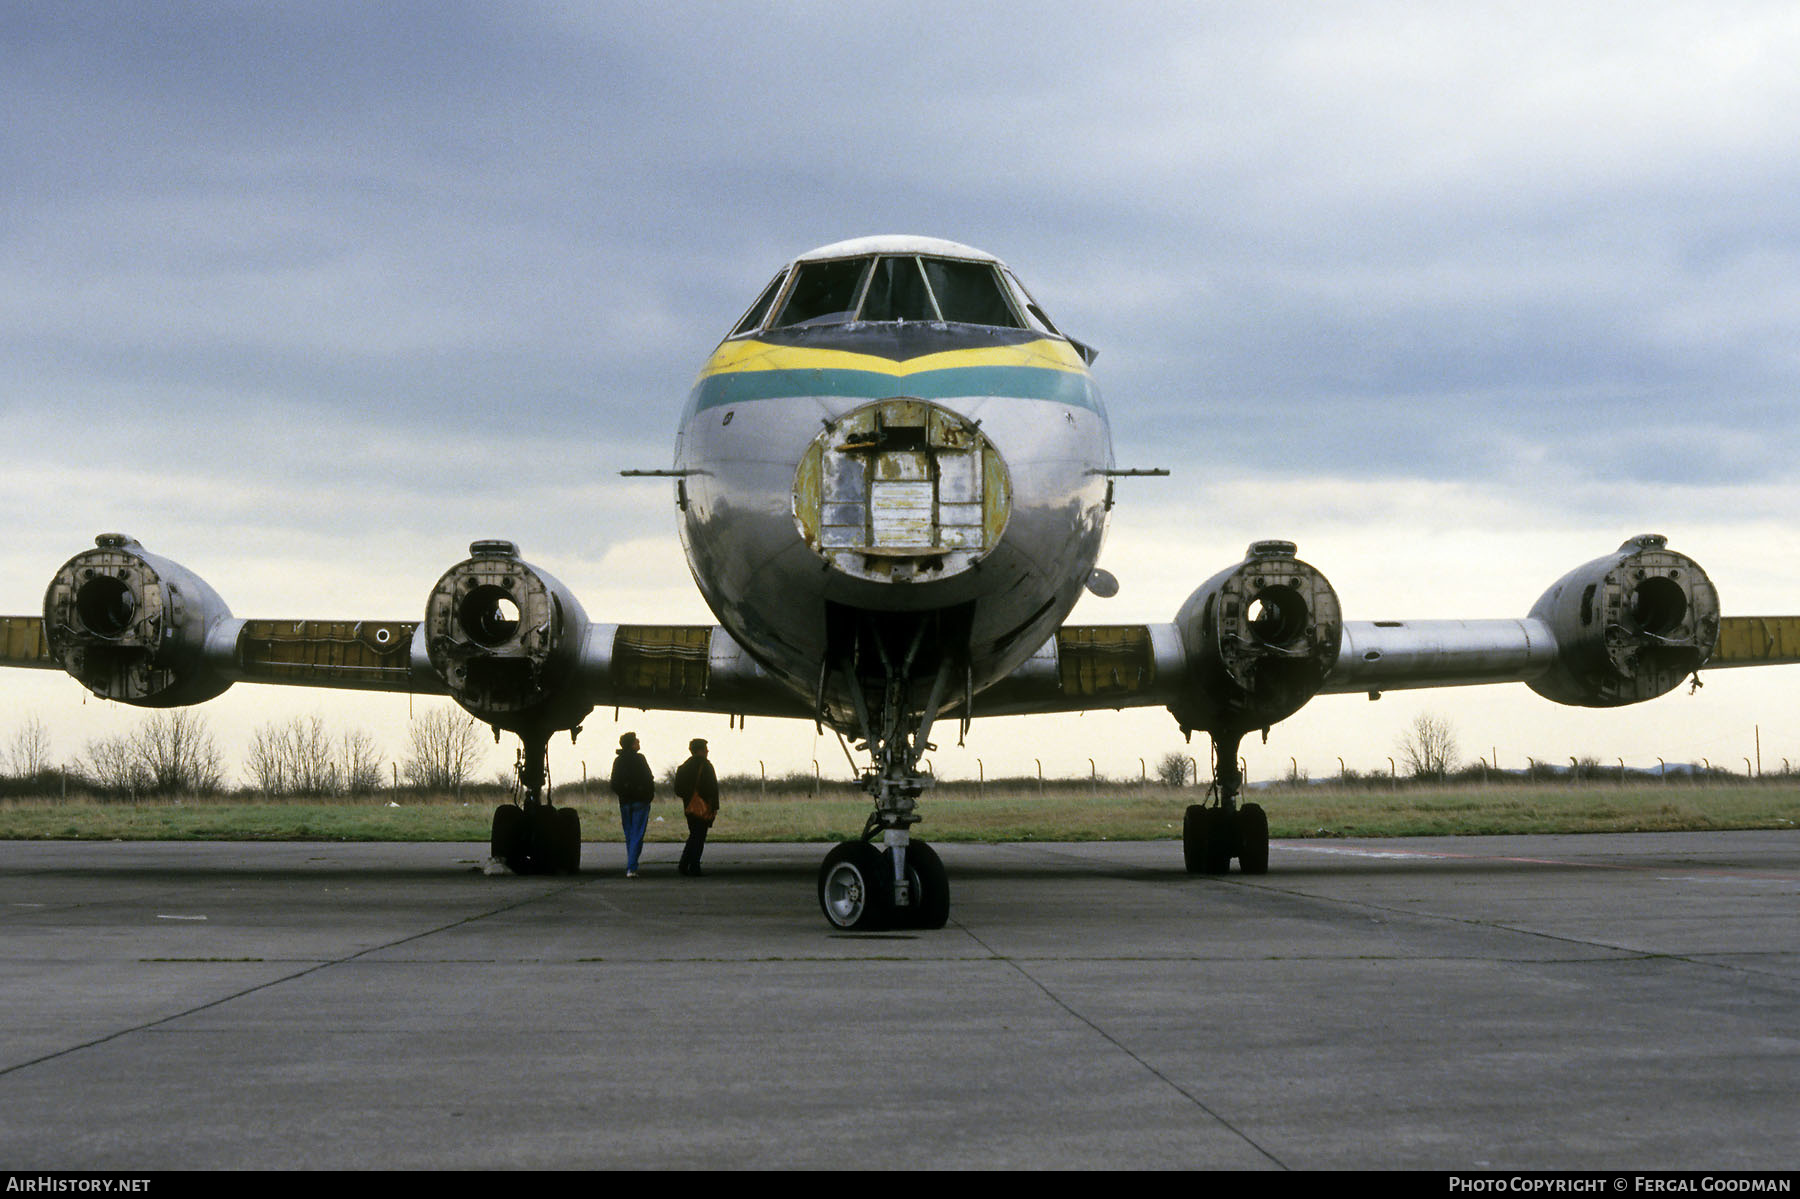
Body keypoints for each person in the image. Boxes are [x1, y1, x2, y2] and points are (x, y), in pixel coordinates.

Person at [608, 732, 654, 877]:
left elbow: (614, 782)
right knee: (637, 834)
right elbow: (648, 778)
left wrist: (624, 793)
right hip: (640, 801)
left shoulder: (618, 761)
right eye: (636, 741)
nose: (639, 742)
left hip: (625, 803)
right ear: (632, 744)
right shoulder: (640, 759)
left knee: (629, 834)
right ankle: (632, 867)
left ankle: (631, 864)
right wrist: (647, 796)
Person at [672, 737, 719, 876]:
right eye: (705, 748)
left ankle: (686, 863)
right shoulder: (707, 766)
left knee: (694, 834)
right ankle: (692, 865)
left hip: (689, 806)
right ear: (700, 750)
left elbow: (678, 789)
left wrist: (689, 796)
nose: (707, 751)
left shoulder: (683, 767)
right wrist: (714, 807)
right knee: (699, 837)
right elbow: (713, 789)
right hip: (704, 807)